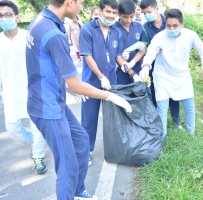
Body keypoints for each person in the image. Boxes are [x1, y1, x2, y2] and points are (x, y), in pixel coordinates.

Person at [26, 0, 132, 199]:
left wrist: (64, 85)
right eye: (81, 3)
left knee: (81, 140)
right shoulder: (54, 33)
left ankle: (77, 191)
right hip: (47, 108)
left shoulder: (41, 20)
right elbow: (76, 83)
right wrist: (111, 96)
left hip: (53, 99)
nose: (82, 7)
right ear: (69, 2)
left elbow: (42, 64)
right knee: (67, 162)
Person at [140, 8, 203, 138]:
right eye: (168, 26)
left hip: (182, 76)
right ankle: (162, 137)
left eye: (175, 26)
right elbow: (150, 55)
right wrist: (145, 67)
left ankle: (191, 134)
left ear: (182, 24)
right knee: (162, 108)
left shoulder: (190, 35)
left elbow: (202, 49)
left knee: (189, 107)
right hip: (163, 77)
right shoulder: (159, 37)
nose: (171, 29)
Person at [0, 0, 48, 175]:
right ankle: (36, 143)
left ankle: (38, 155)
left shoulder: (28, 37)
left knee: (37, 125)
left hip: (32, 90)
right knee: (12, 126)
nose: (4, 18)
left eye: (7, 14)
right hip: (10, 93)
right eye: (0, 16)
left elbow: (41, 62)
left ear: (17, 17)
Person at [79, 0, 125, 167]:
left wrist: (126, 66)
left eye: (114, 13)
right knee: (89, 120)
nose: (111, 16)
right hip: (91, 83)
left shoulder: (116, 32)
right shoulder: (88, 29)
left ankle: (114, 150)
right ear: (100, 11)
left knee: (112, 118)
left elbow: (117, 55)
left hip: (111, 83)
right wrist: (100, 76)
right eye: (108, 12)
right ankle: (86, 152)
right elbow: (87, 56)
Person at [140, 0, 182, 130]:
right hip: (155, 68)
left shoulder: (169, 21)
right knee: (155, 95)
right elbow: (145, 48)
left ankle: (176, 122)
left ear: (156, 9)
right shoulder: (145, 28)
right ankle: (159, 124)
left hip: (171, 66)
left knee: (174, 96)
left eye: (149, 12)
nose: (147, 15)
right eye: (144, 13)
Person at [115, 0, 146, 84]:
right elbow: (116, 55)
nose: (128, 20)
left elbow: (142, 49)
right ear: (119, 14)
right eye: (125, 17)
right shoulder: (113, 29)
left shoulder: (138, 26)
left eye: (131, 16)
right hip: (120, 70)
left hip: (136, 66)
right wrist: (133, 74)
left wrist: (132, 62)